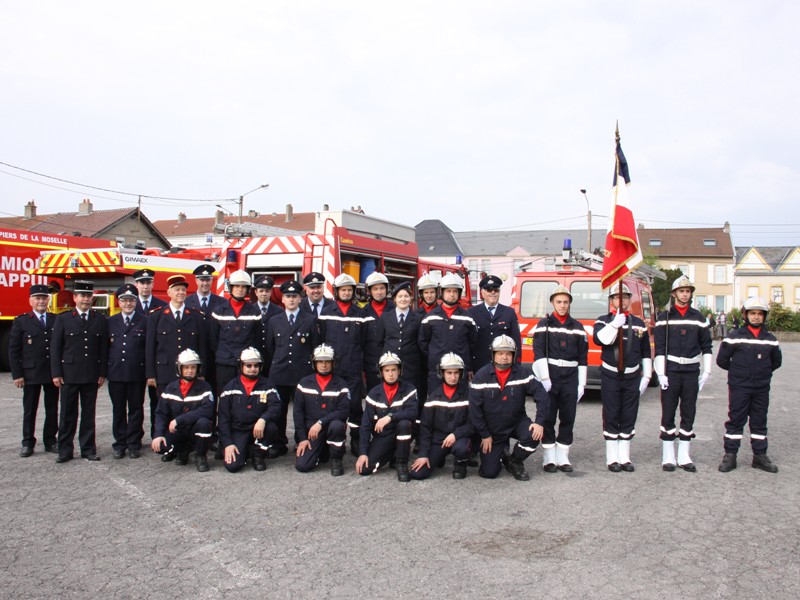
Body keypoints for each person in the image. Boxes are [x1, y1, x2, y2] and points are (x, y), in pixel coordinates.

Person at [653, 275, 713, 472]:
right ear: (674, 293)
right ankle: (668, 455)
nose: (685, 294)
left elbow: (707, 346)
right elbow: (660, 348)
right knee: (668, 411)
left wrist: (707, 371)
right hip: (671, 370)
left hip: (690, 370)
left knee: (689, 411)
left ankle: (684, 455)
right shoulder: (664, 318)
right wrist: (660, 373)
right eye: (681, 291)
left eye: (688, 291)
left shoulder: (699, 318)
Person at [469, 335, 548, 481]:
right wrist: (485, 434)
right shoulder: (481, 376)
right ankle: (500, 453)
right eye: (500, 353)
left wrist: (539, 422)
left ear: (514, 355)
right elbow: (475, 410)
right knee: (489, 473)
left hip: (516, 422)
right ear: (493, 354)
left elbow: (542, 395)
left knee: (534, 435)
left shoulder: (523, 373)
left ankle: (514, 460)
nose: (504, 357)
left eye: (508, 353)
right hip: (492, 430)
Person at [717, 296, 782, 473]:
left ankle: (760, 456)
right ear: (745, 315)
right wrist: (739, 373)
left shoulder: (770, 339)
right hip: (740, 386)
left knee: (759, 421)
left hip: (761, 388)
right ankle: (730, 455)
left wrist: (761, 373)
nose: (756, 317)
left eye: (760, 314)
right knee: (736, 419)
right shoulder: (734, 337)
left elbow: (776, 362)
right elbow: (722, 360)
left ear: (764, 316)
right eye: (752, 313)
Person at [593, 284, 652, 472]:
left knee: (629, 414)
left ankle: (625, 456)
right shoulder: (603, 321)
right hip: (610, 374)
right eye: (618, 298)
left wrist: (647, 375)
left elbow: (645, 351)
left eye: (625, 297)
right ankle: (612, 458)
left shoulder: (638, 323)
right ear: (611, 301)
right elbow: (600, 339)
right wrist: (614, 324)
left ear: (629, 300)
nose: (622, 301)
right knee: (611, 413)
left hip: (632, 376)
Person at [532, 285, 588, 473]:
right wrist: (544, 377)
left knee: (568, 417)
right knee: (548, 417)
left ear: (569, 303)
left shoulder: (578, 327)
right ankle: (549, 457)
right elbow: (538, 352)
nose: (562, 305)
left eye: (565, 302)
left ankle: (563, 456)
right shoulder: (543, 325)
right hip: (551, 375)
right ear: (552, 303)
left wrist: (582, 383)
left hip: (570, 377)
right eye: (559, 302)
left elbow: (583, 357)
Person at [51, 281, 108, 463]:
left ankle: (88, 449)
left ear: (92, 298)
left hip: (91, 374)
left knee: (88, 414)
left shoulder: (99, 319)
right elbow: (55, 348)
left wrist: (102, 372)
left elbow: (103, 349)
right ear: (75, 298)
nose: (85, 299)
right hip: (69, 374)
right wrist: (56, 373)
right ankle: (65, 450)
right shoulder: (64, 319)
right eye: (82, 296)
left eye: (88, 296)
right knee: (67, 413)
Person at [264, 280, 321, 457]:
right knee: (278, 410)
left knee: (302, 410)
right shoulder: (274, 321)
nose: (291, 300)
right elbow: (269, 347)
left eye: (294, 296)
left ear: (300, 298)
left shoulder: (310, 320)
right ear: (282, 299)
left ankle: (301, 441)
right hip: (279, 373)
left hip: (302, 374)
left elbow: (315, 348)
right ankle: (279, 442)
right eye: (288, 296)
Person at [145, 275, 207, 434]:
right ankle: (161, 438)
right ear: (169, 292)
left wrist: (201, 372)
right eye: (177, 289)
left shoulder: (195, 315)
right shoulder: (156, 315)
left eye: (183, 290)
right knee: (162, 407)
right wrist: (150, 374)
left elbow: (202, 347)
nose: (181, 293)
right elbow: (150, 346)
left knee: (188, 407)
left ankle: (184, 441)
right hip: (164, 372)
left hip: (189, 372)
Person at [317, 273, 369, 457]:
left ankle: (356, 439)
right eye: (343, 290)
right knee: (331, 406)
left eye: (349, 290)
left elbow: (364, 341)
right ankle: (329, 443)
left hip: (353, 368)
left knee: (355, 406)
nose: (346, 293)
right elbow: (322, 339)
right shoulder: (326, 313)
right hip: (333, 370)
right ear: (337, 292)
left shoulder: (360, 314)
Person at [10, 284, 59, 457]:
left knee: (52, 408)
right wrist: (17, 374)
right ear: (30, 300)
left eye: (44, 298)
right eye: (37, 298)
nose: (41, 301)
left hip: (51, 373)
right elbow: (14, 350)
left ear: (48, 300)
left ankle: (50, 440)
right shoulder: (22, 321)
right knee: (30, 409)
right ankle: (27, 442)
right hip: (30, 373)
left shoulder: (55, 319)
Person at [410, 353, 474, 480]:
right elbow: (425, 428)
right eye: (449, 373)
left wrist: (456, 434)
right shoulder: (433, 397)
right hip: (439, 440)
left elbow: (473, 424)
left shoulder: (469, 395)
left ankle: (461, 464)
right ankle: (439, 458)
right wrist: (423, 454)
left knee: (462, 448)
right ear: (442, 373)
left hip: (459, 439)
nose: (453, 377)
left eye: (456, 373)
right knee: (418, 474)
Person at [356, 352, 418, 482]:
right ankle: (393, 453)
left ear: (399, 370)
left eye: (394, 370)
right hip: (383, 436)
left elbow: (412, 413)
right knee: (365, 469)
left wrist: (390, 417)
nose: (391, 374)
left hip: (402, 431)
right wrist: (363, 453)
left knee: (404, 423)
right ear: (381, 372)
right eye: (387, 370)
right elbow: (366, 425)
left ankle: (401, 463)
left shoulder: (409, 389)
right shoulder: (374, 393)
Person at [217, 347, 280, 473]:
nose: (253, 369)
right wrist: (228, 443)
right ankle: (243, 451)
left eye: (256, 365)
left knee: (271, 427)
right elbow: (223, 419)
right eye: (248, 365)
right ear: (241, 366)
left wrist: (263, 419)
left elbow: (276, 407)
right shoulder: (230, 388)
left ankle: (258, 455)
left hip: (258, 429)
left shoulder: (268, 385)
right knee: (233, 467)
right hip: (238, 430)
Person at [150, 349, 214, 472]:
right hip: (177, 431)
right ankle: (180, 450)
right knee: (160, 446)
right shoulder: (170, 388)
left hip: (194, 429)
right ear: (179, 369)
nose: (190, 371)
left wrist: (179, 420)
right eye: (186, 368)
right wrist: (158, 434)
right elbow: (161, 413)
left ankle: (200, 455)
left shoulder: (205, 387)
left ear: (198, 369)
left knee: (204, 423)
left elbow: (207, 410)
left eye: (193, 367)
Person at [293, 344, 351, 476]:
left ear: (333, 363)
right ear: (314, 363)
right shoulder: (304, 383)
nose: (324, 365)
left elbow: (344, 410)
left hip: (329, 427)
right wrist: (302, 438)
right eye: (320, 361)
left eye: (327, 362)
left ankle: (336, 458)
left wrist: (321, 423)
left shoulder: (341, 384)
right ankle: (322, 451)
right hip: (311, 432)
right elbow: (298, 413)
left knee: (337, 425)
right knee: (303, 466)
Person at [106, 283, 148, 459]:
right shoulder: (110, 322)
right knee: (118, 409)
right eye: (125, 300)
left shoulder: (144, 321)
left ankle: (134, 443)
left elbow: (147, 349)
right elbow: (104, 349)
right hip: (116, 373)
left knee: (136, 409)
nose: (128, 304)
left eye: (131, 300)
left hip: (136, 373)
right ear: (119, 302)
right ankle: (120, 443)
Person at [419, 273, 477, 391]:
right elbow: (423, 342)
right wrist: (434, 357)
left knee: (460, 403)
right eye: (448, 291)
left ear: (459, 293)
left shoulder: (468, 318)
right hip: (436, 370)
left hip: (459, 371)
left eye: (455, 291)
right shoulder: (430, 317)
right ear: (442, 293)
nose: (452, 295)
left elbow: (472, 343)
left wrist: (468, 366)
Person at [209, 270, 262, 398]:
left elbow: (257, 339)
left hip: (246, 364)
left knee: (244, 398)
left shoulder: (254, 311)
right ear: (231, 287)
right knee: (224, 397)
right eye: (237, 286)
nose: (240, 289)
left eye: (243, 286)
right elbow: (213, 340)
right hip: (224, 364)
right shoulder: (219, 311)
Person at [378, 281, 424, 413]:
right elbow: (380, 341)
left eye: (406, 296)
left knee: (412, 398)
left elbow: (420, 341)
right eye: (400, 296)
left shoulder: (418, 318)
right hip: (390, 367)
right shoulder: (385, 317)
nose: (403, 299)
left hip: (412, 367)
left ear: (411, 299)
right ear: (394, 299)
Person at [469, 274, 522, 372]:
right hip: (479, 366)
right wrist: (469, 368)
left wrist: (516, 366)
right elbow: (468, 343)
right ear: (482, 292)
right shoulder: (472, 312)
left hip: (503, 366)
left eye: (496, 290)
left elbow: (516, 342)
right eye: (489, 290)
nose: (493, 292)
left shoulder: (509, 312)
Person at [362, 272, 395, 391]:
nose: (379, 292)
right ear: (369, 291)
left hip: (393, 363)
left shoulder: (396, 309)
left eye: (382, 288)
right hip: (371, 365)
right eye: (375, 289)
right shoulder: (363, 312)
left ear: (387, 289)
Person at [253, 275, 283, 373]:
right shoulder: (249, 310)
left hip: (273, 357)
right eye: (261, 291)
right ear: (256, 292)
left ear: (271, 292)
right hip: (254, 357)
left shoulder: (279, 311)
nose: (264, 294)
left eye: (267, 291)